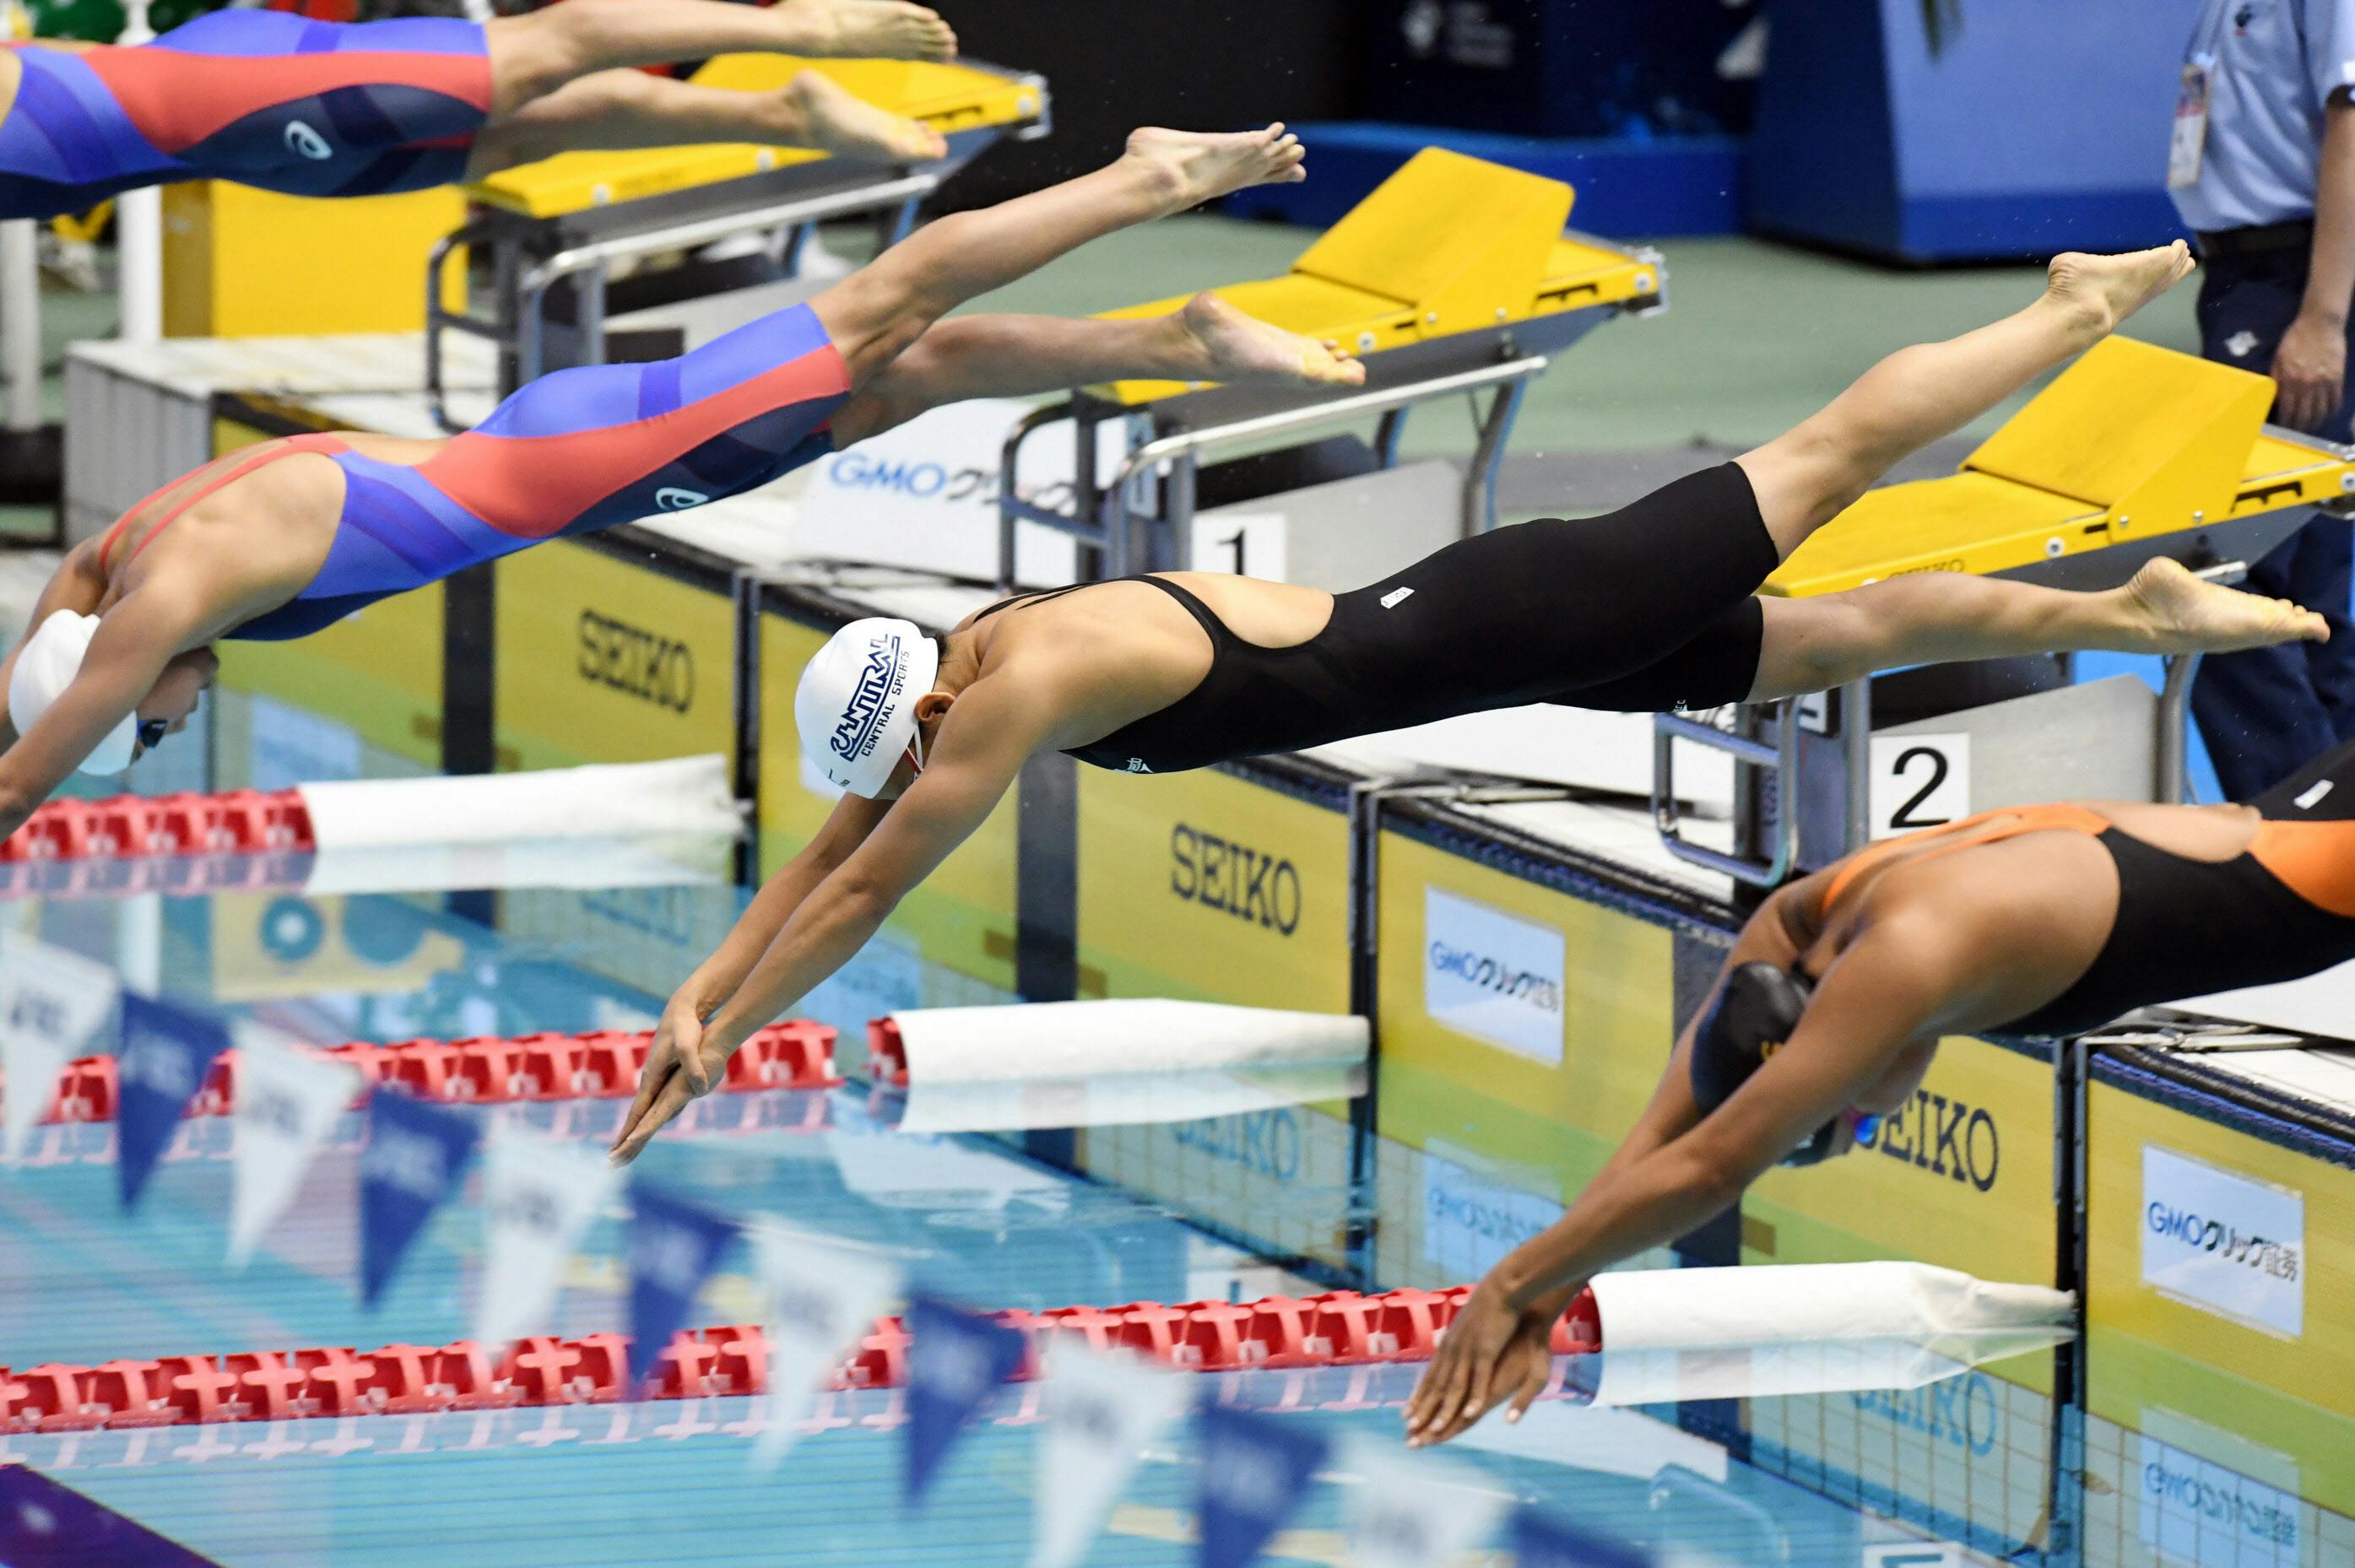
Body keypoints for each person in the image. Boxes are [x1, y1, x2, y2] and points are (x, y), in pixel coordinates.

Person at [607, 241, 2332, 1165]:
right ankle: (2130, 604)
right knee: (1831, 637)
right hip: (1502, 636)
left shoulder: (1019, 689)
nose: (910, 785)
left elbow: (864, 877)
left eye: (903, 768)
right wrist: (708, 980)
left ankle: (2060, 312)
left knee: (1822, 459)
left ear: (920, 722)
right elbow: (847, 833)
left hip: (1525, 606)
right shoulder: (970, 656)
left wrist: (739, 1017)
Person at [0, 124, 1358, 787]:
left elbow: (27, 767)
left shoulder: (175, 591)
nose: (183, 709)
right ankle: (1177, 342)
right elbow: (62, 618)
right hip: (576, 453)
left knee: (884, 308)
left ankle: (1151, 179)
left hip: (589, 459)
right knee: (906, 378)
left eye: (158, 722)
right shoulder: (129, 553)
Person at [1398, 730, 2355, 1449]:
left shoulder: (1901, 960)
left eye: (1849, 1114)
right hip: (2308, 822)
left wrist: (1506, 1287)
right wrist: (1550, 1290)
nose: (1869, 1113)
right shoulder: (1807, 914)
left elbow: (1714, 1163)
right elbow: (1670, 1126)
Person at [0, 0, 959, 220]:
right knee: (539, 128)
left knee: (551, 46)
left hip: (222, 96)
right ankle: (788, 114)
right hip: (206, 129)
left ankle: (804, 28)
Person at [2169, 0, 2355, 796]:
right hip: (2247, 279)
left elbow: (2352, 121)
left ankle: (2294, 834)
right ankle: (2336, 832)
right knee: (2308, 584)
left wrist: (2322, 316)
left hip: (2295, 281)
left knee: (2219, 575)